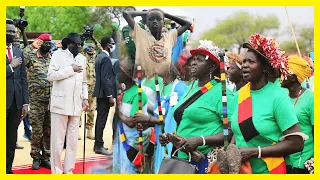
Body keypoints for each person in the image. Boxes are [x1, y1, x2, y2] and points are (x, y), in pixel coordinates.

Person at [229, 33, 305, 174]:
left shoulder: (278, 97)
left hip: (269, 171)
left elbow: (297, 142)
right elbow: (239, 130)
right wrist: (230, 151)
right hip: (242, 171)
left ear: (264, 68)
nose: (244, 65)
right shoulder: (239, 95)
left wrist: (256, 151)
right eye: (244, 61)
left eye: (251, 62)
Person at [159, 40, 234, 174]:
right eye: (193, 59)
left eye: (199, 60)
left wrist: (201, 140)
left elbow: (230, 131)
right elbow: (186, 123)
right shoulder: (191, 87)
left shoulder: (222, 92)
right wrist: (170, 137)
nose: (193, 63)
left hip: (205, 161)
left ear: (211, 67)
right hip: (181, 158)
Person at [47, 32, 89, 174]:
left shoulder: (82, 59)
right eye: (75, 44)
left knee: (72, 142)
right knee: (58, 142)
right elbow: (51, 76)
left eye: (79, 45)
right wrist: (71, 70)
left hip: (76, 105)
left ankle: (68, 170)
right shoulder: (58, 56)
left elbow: (84, 81)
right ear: (69, 44)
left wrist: (85, 98)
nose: (77, 47)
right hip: (60, 105)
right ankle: (57, 171)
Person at [112, 57, 154, 174]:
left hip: (134, 142)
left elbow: (132, 122)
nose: (117, 74)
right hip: (125, 138)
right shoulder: (125, 92)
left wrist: (118, 113)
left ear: (128, 76)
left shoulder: (138, 94)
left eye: (120, 72)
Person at [123, 8, 191, 79]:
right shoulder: (141, 35)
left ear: (163, 23)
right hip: (144, 83)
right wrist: (147, 13)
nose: (155, 21)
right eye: (151, 19)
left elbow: (187, 24)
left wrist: (165, 14)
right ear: (146, 23)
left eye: (159, 19)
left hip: (164, 82)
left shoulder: (169, 37)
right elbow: (126, 13)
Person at [24, 33, 53, 170]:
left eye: (49, 43)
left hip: (50, 102)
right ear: (40, 43)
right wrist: (31, 46)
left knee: (48, 131)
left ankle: (46, 158)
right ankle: (36, 157)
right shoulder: (32, 56)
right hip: (36, 101)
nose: (48, 45)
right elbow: (22, 57)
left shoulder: (53, 59)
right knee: (36, 131)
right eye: (45, 42)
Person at [281, 55, 314, 174]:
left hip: (305, 161)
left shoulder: (311, 98)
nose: (280, 75)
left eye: (283, 71)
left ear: (293, 78)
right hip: (285, 160)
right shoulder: (282, 96)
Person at [6, 19, 29, 174]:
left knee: (11, 137)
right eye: (9, 31)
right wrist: (10, 67)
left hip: (16, 103)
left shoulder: (19, 52)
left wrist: (25, 103)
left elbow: (23, 79)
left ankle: (7, 168)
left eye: (14, 31)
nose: (12, 34)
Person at [92, 36, 116, 155]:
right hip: (104, 94)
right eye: (112, 43)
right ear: (107, 45)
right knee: (101, 120)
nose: (113, 45)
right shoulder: (105, 58)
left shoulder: (100, 56)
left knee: (99, 120)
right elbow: (106, 79)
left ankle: (98, 144)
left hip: (100, 93)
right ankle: (98, 145)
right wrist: (110, 96)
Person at [78, 44, 97, 140]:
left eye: (92, 47)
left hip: (93, 88)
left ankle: (89, 130)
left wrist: (94, 39)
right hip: (83, 87)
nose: (90, 49)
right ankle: (77, 130)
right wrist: (82, 42)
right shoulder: (82, 57)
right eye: (88, 47)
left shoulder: (96, 58)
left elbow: (103, 50)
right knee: (79, 110)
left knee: (92, 111)